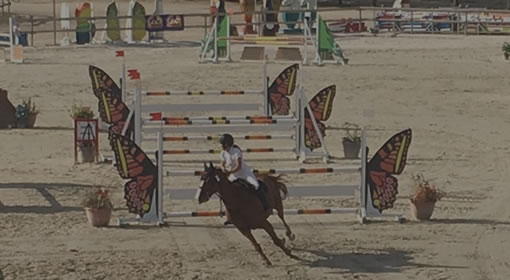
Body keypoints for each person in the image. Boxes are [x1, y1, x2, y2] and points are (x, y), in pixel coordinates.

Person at [219, 133, 270, 225]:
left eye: (224, 144)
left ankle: (265, 205)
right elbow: (222, 164)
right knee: (225, 191)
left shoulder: (236, 151)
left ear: (228, 143)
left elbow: (238, 166)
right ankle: (228, 215)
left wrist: (229, 172)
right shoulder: (223, 153)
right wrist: (223, 169)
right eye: (222, 144)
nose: (222, 146)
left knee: (256, 185)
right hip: (234, 175)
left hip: (244, 174)